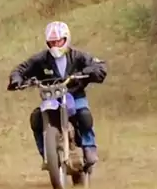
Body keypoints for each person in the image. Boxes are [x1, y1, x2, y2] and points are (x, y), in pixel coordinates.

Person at [7, 21, 107, 168]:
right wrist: (17, 80)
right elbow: (21, 69)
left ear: (66, 39)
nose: (55, 45)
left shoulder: (78, 56)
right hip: (51, 98)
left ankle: (89, 147)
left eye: (58, 41)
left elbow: (98, 65)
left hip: (75, 95)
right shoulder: (41, 59)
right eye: (52, 42)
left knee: (84, 115)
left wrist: (88, 72)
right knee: (36, 119)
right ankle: (46, 154)